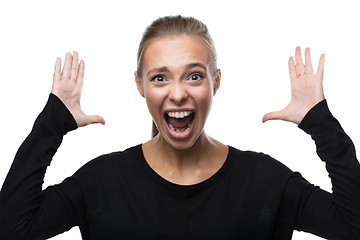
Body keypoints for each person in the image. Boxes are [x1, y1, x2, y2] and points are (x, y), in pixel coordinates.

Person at [0, 15, 359, 240]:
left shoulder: (265, 181)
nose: (177, 93)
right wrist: (51, 125)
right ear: (140, 85)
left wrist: (321, 124)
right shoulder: (102, 181)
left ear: (215, 82)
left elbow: (352, 226)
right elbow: (12, 228)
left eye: (194, 76)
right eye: (159, 78)